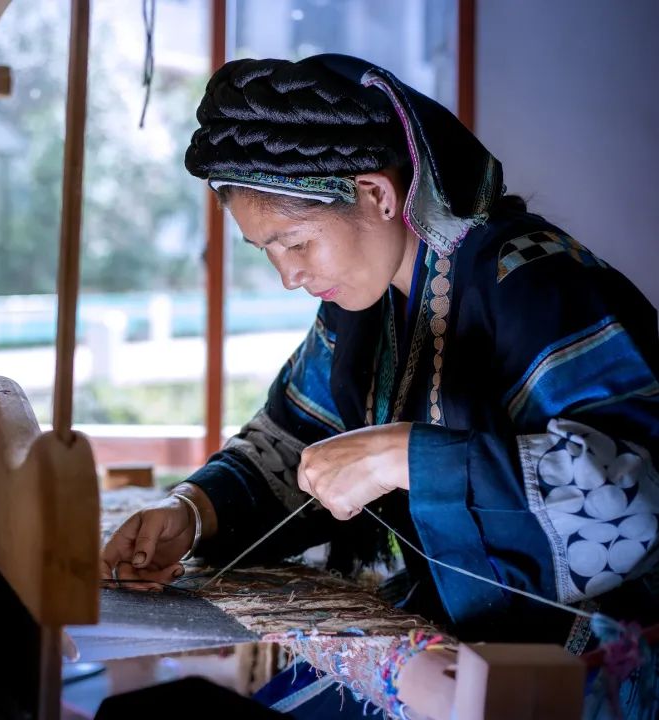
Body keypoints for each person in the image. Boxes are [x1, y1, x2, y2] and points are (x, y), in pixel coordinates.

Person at [100, 54, 659, 672]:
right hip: (447, 642)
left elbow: (636, 499)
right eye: (267, 251)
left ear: (376, 194)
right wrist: (191, 513)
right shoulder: (360, 303)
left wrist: (403, 455)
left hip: (594, 665)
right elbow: (298, 441)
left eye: (297, 241)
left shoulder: (533, 279)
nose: (288, 274)